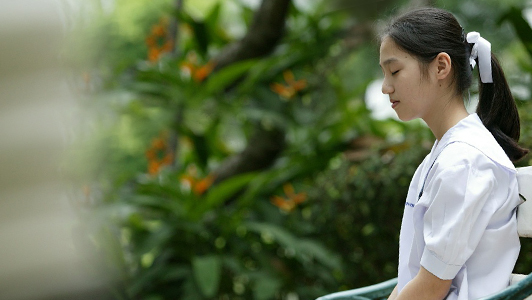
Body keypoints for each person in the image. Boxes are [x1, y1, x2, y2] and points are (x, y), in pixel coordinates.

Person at [379, 7, 529, 300]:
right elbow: (417, 278)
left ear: (441, 67)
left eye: (395, 71)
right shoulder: (448, 153)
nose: (386, 87)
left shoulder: (464, 162)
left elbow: (432, 288)